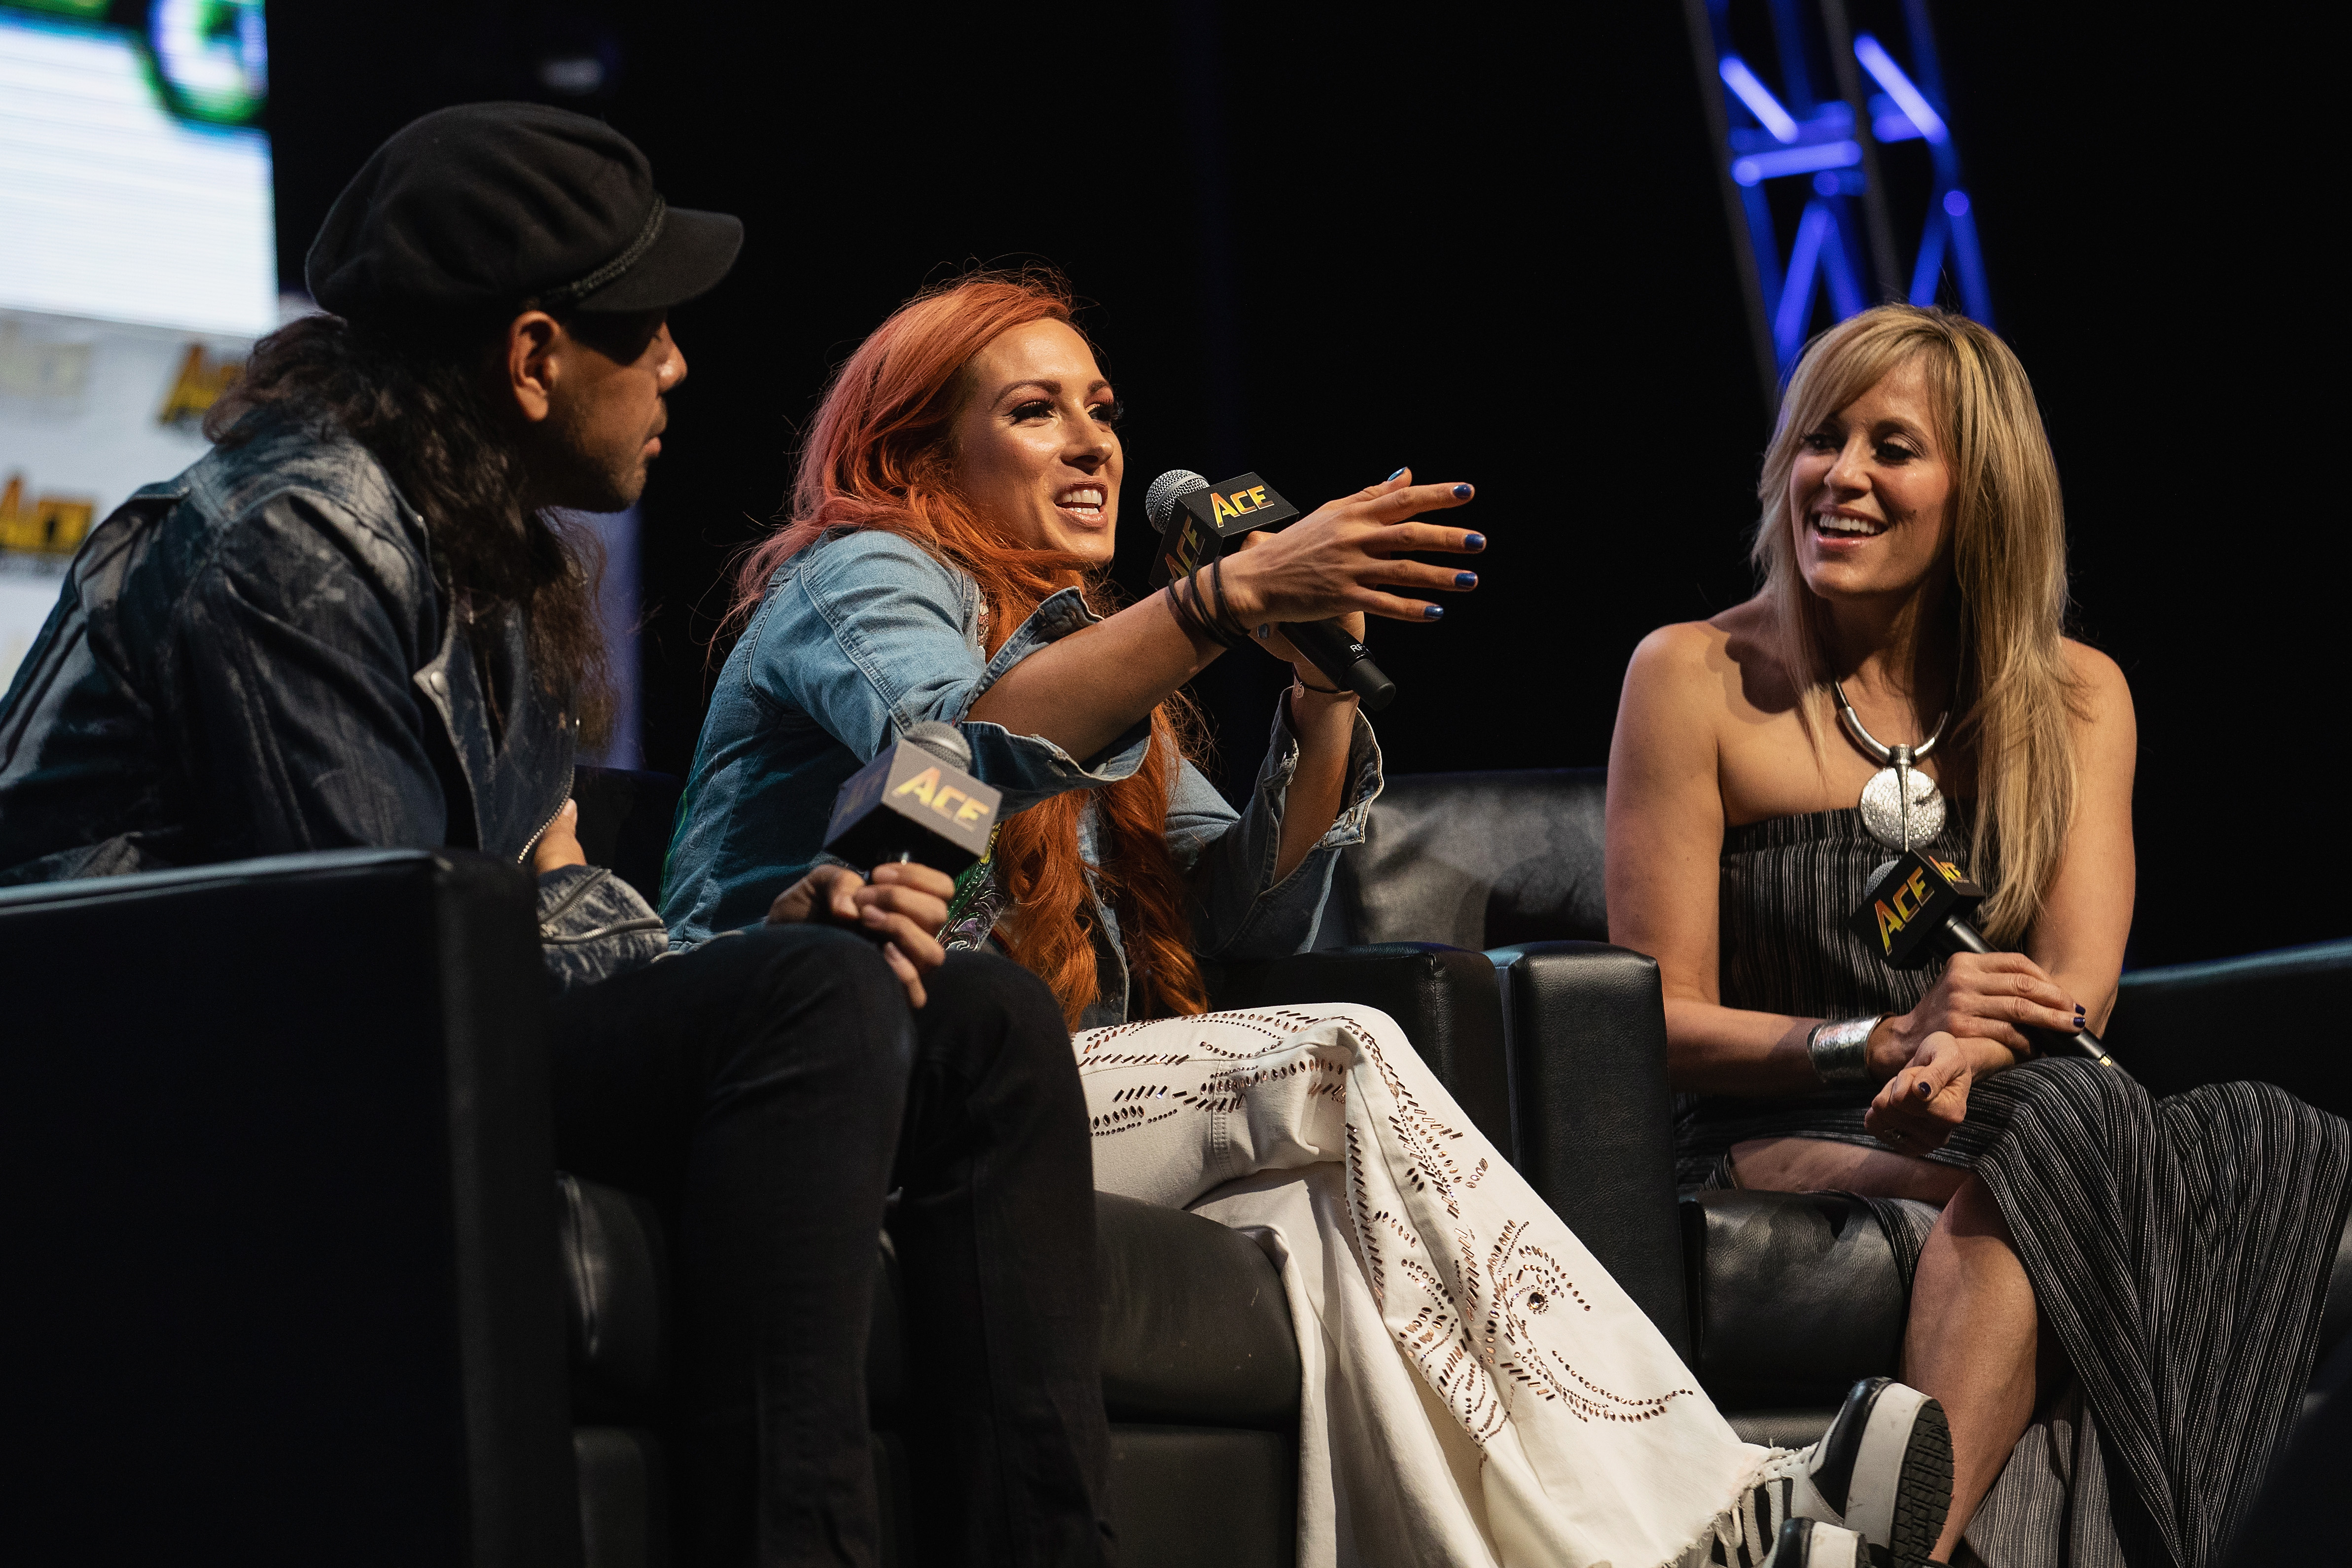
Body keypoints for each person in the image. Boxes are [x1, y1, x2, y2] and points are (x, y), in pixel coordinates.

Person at [663, 269, 1958, 1568]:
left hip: (1025, 1110)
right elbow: (949, 745)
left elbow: (1236, 909)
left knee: (1324, 1246)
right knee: (1330, 1053)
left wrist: (1317, 686)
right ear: (918, 453)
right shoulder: (868, 573)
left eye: (1100, 408)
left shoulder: (1092, 648)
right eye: (1035, 412)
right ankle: (1735, 1497)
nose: (1093, 442)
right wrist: (1215, 603)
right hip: (839, 1086)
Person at [0, 105, 1110, 1567]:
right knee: (818, 999)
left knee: (976, 1014)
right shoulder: (289, 541)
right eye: (644, 332)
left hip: (377, 1016)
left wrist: (761, 943)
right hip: (156, 1074)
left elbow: (544, 900)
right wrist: (758, 988)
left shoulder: (492, 561)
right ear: (531, 358)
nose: (676, 366)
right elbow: (377, 969)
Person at [1605, 302, 2350, 1564]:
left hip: (2001, 1101)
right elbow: (1652, 1021)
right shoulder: (1692, 677)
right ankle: (1908, 1548)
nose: (1839, 477)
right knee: (2073, 1133)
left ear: (1980, 494)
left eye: (1890, 448)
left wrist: (1959, 1063)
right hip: (1775, 1131)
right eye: (1818, 441)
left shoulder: (2075, 696)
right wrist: (1876, 1043)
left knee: (2284, 1139)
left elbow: (2074, 991)